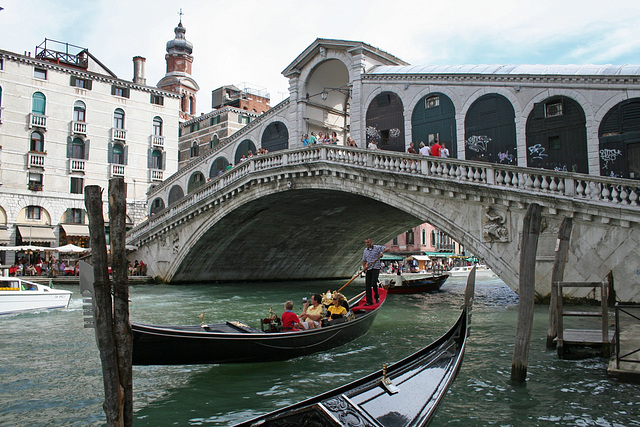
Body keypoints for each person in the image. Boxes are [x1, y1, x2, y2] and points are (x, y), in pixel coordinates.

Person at [362, 238, 388, 305]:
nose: (367, 244)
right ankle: (369, 301)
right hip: (369, 268)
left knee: (374, 283)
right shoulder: (365, 250)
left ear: (371, 242)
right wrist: (364, 267)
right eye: (366, 243)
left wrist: (382, 253)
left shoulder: (377, 248)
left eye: (368, 242)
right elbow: (364, 260)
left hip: (376, 268)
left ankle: (377, 297)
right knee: (367, 285)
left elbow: (387, 248)